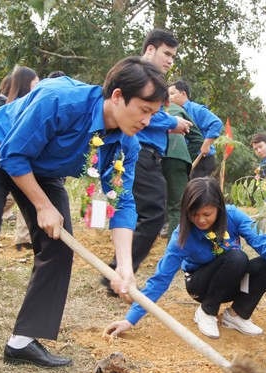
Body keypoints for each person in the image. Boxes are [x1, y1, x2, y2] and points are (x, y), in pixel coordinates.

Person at [0, 56, 169, 373]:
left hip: (43, 171)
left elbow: (122, 204)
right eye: (145, 110)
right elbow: (13, 154)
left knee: (59, 247)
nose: (148, 120)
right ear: (118, 96)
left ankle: (21, 342)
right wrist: (43, 205)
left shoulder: (125, 144)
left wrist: (123, 267)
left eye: (154, 113)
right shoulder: (60, 99)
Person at [103, 177, 266, 339]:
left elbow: (261, 239)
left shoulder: (233, 216)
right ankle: (207, 311)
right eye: (194, 214)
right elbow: (160, 280)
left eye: (207, 214)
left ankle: (237, 315)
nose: (201, 220)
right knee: (237, 257)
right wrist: (129, 320)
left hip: (231, 278)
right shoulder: (182, 236)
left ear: (219, 209)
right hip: (200, 284)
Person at [103, 29, 192, 293]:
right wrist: (171, 121)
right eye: (166, 53)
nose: (170, 61)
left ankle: (121, 270)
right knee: (153, 211)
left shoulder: (157, 83)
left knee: (143, 209)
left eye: (173, 56)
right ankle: (119, 272)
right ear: (150, 49)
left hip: (146, 153)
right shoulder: (134, 76)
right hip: (137, 151)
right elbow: (142, 115)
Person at [0, 67, 40, 249]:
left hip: (23, 162)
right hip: (6, 161)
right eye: (35, 82)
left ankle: (24, 237)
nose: (38, 86)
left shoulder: (34, 105)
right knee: (8, 198)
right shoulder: (5, 105)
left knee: (26, 198)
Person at [161, 102, 203, 239]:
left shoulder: (143, 104)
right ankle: (173, 249)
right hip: (176, 158)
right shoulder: (177, 109)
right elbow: (197, 138)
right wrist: (185, 157)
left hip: (149, 156)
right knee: (177, 206)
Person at [168, 80, 223, 178]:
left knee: (197, 190)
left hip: (202, 159)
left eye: (172, 94)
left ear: (183, 93)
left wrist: (206, 144)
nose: (170, 97)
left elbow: (216, 123)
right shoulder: (172, 112)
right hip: (186, 159)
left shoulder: (196, 109)